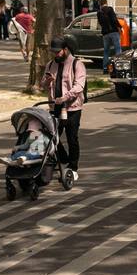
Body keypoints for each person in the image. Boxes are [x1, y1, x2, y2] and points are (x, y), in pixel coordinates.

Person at [39, 35, 85, 182]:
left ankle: (73, 167)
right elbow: (42, 85)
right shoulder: (51, 64)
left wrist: (65, 98)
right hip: (55, 107)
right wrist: (47, 80)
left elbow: (79, 86)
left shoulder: (77, 64)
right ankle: (64, 160)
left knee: (72, 138)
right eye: (53, 52)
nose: (55, 55)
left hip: (72, 108)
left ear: (65, 50)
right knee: (52, 138)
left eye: (57, 52)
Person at [98, 0, 122, 66]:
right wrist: (119, 27)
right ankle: (118, 66)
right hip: (113, 32)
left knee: (106, 51)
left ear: (100, 4)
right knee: (118, 49)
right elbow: (114, 20)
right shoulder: (110, 9)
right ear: (106, 3)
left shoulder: (99, 12)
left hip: (105, 33)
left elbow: (100, 23)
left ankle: (105, 68)